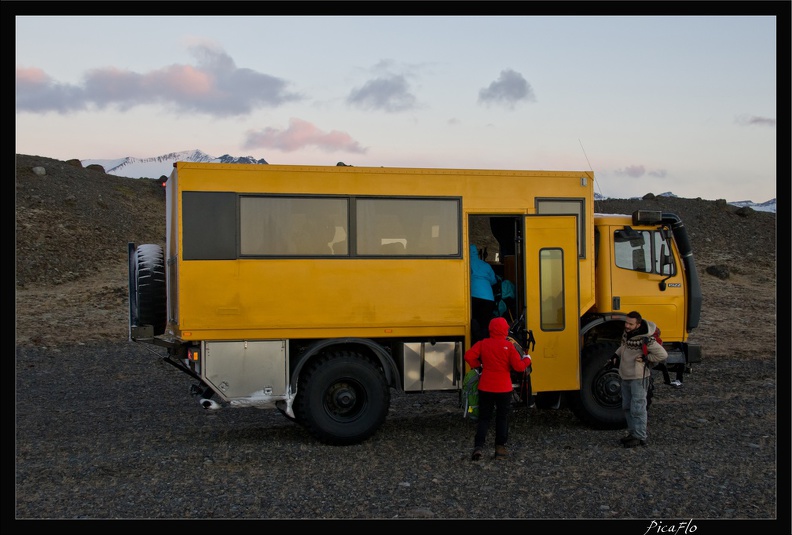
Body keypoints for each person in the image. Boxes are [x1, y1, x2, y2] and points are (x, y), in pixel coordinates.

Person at [465, 316, 532, 460]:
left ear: (490, 329)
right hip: (503, 388)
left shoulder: (483, 344)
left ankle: (478, 447)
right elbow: (519, 367)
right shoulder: (509, 347)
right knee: (502, 418)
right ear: (505, 330)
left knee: (484, 418)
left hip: (485, 386)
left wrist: (478, 366)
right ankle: (500, 449)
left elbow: (468, 356)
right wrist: (527, 359)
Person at [611, 310, 668, 448]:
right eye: (626, 322)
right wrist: (615, 355)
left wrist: (646, 358)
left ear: (638, 324)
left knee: (638, 408)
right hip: (626, 375)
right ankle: (632, 434)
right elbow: (624, 346)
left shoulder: (646, 338)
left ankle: (640, 436)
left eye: (630, 324)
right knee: (627, 407)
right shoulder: (628, 334)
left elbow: (663, 354)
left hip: (638, 377)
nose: (627, 325)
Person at [470, 243, 498, 344]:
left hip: (472, 297)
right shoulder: (485, 265)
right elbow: (494, 280)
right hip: (488, 299)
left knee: (472, 322)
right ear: (477, 253)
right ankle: (485, 346)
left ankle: (474, 344)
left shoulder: (465, 263)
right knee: (485, 325)